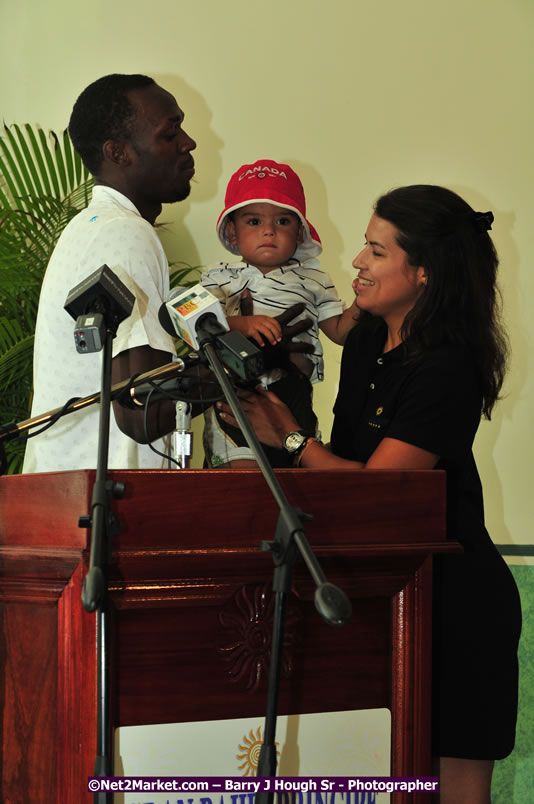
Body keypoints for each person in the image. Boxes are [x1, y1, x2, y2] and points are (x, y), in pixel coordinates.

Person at [216, 184, 522, 803]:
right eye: (364, 245)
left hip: (457, 602)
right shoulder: (363, 341)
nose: (356, 261)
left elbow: (384, 488)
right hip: (384, 590)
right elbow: (340, 466)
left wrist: (294, 439)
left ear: (425, 272)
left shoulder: (448, 364)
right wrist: (258, 428)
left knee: (452, 787)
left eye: (376, 251)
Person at [200, 159, 358, 467]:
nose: (269, 231)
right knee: (242, 480)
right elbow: (199, 328)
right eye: (254, 221)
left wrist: (365, 302)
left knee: (294, 477)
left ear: (300, 233)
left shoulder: (314, 279)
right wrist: (240, 323)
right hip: (235, 393)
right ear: (232, 232)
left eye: (283, 222)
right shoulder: (218, 278)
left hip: (293, 393)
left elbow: (340, 331)